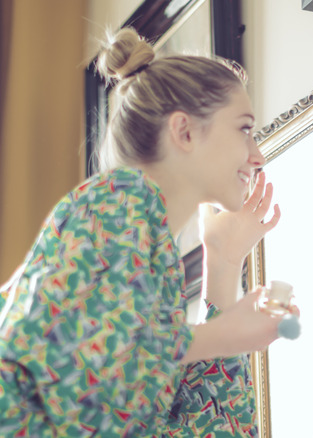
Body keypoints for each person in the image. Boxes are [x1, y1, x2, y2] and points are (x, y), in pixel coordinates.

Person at [0, 27, 290, 436]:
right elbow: (79, 367)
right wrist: (217, 336)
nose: (257, 156)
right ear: (184, 132)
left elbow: (208, 429)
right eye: (244, 128)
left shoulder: (156, 265)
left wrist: (223, 265)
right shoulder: (120, 198)